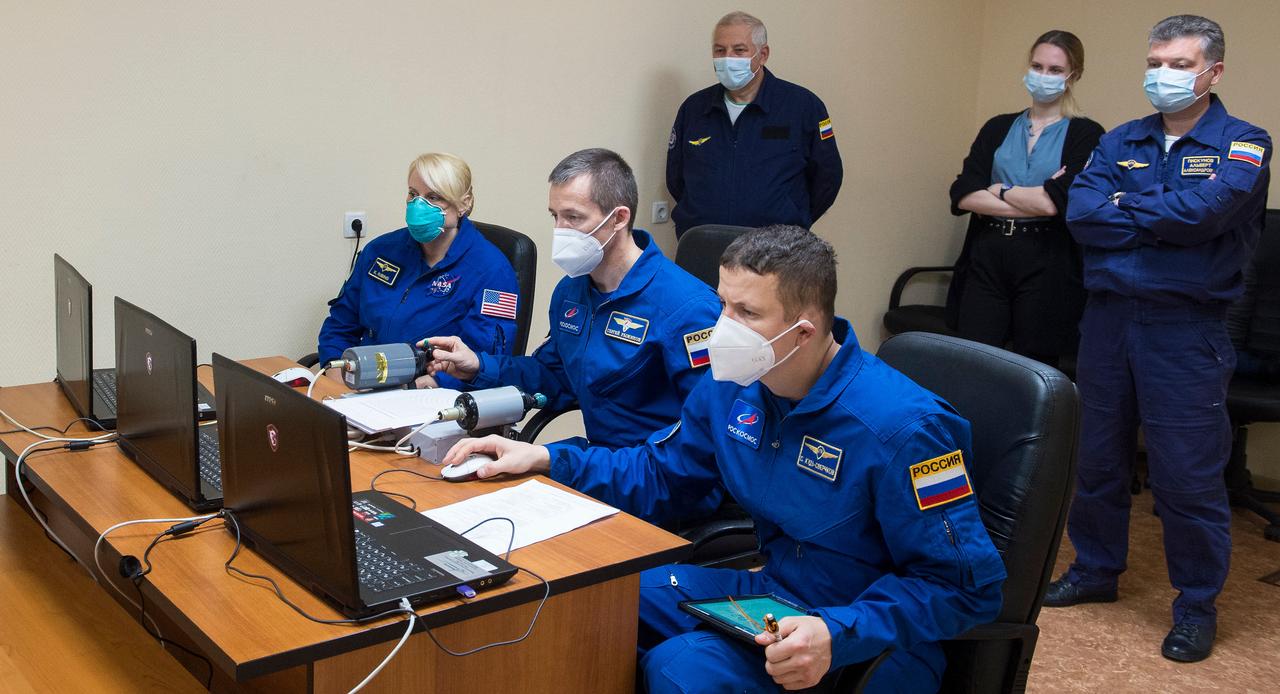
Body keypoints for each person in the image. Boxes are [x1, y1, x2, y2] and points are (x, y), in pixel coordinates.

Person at [442, 226, 1006, 693]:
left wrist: (837, 632)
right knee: (595, 600)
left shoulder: (908, 429)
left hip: (870, 638)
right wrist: (545, 458)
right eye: (723, 304)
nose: (722, 328)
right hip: (774, 597)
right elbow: (661, 471)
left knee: (681, 669)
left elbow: (966, 589)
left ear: (804, 332)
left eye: (746, 312)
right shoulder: (735, 385)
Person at [1049, 15, 1271, 664]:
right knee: (1097, 461)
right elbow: (1084, 213)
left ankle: (1196, 605)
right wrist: (1158, 220)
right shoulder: (1120, 138)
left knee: (1186, 478)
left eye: (1179, 64)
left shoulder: (1244, 143)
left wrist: (1129, 208)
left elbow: (1207, 215)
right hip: (1110, 323)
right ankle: (1094, 570)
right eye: (1156, 61)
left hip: (1186, 331)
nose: (1163, 75)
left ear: (1213, 73)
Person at [424, 148, 722, 512]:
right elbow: (554, 375)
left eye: (573, 218)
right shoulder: (572, 291)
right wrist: (477, 366)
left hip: (664, 484)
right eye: (555, 216)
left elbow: (700, 449)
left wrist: (553, 458)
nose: (559, 231)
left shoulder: (687, 309)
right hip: (603, 466)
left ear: (618, 218)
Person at [948, 30, 1104, 366]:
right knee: (972, 360)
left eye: (1055, 70)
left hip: (1047, 259)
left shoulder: (1086, 134)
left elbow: (1057, 204)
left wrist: (999, 188)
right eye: (1037, 66)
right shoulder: (997, 127)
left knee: (1033, 365)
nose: (1043, 76)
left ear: (1072, 76)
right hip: (988, 252)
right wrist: (1035, 198)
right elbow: (962, 194)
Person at [317, 153, 518, 389]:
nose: (418, 205)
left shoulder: (492, 270)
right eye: (413, 194)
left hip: (430, 398)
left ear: (464, 203)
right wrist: (335, 367)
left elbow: (484, 361)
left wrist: (435, 382)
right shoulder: (381, 251)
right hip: (362, 381)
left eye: (433, 197)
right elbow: (341, 323)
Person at [666, 11, 843, 237]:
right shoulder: (693, 109)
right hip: (703, 244)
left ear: (763, 54)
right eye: (720, 50)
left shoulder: (803, 106)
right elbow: (675, 178)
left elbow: (827, 178)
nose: (728, 58)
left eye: (739, 50)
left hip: (776, 250)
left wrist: (795, 217)